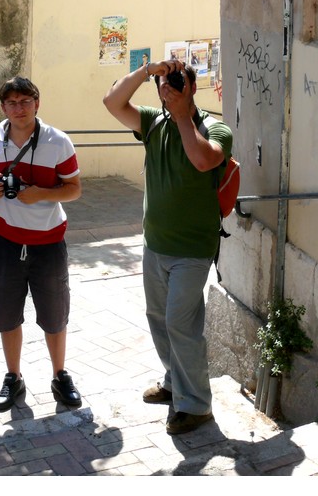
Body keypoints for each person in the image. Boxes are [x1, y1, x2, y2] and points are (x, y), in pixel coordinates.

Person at [102, 58, 233, 435]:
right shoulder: (152, 121)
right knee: (158, 318)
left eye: (177, 83)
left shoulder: (215, 127)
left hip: (192, 248)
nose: (169, 88)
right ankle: (175, 383)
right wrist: (147, 71)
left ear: (192, 89)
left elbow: (203, 159)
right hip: (155, 244)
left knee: (181, 323)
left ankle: (196, 406)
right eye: (165, 83)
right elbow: (112, 102)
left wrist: (181, 116)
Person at [0, 76, 84, 413]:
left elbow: (74, 188)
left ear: (37, 103)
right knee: (6, 314)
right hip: (5, 239)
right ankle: (13, 377)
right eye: (12, 103)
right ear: (3, 107)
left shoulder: (57, 142)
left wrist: (41, 195)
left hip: (48, 240)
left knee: (54, 314)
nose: (19, 108)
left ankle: (60, 375)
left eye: (26, 101)